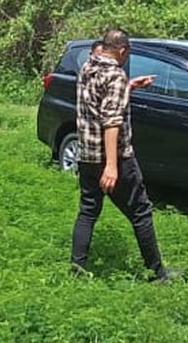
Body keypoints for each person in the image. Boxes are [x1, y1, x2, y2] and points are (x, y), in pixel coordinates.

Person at [70, 28, 180, 282]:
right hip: (115, 158)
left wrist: (130, 86)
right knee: (141, 211)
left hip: (87, 154)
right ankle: (158, 273)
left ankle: (76, 269)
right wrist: (111, 166)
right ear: (122, 50)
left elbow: (98, 101)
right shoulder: (115, 75)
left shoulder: (88, 68)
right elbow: (111, 122)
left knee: (88, 211)